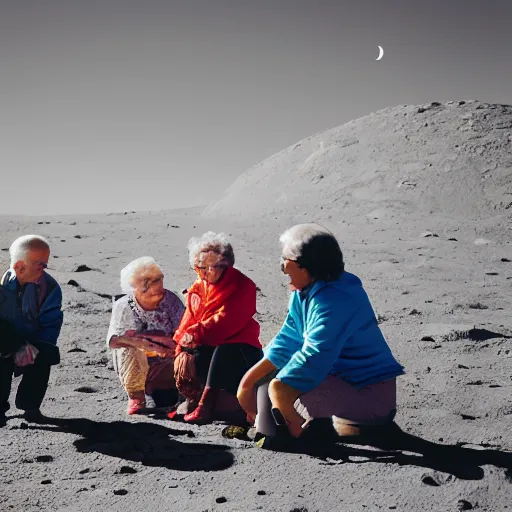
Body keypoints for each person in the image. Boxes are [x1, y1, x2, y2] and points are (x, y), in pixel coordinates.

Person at [237, 223, 405, 442]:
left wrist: (281, 391)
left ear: (306, 266)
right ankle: (270, 431)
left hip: (368, 396)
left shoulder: (337, 299)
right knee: (267, 384)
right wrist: (249, 381)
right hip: (335, 381)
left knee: (280, 386)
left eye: (285, 261)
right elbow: (289, 339)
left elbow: (317, 354)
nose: (283, 268)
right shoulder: (304, 292)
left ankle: (299, 431)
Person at [168, 231, 263, 424]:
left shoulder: (243, 286)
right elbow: (187, 322)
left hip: (242, 352)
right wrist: (181, 347)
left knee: (225, 350)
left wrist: (192, 335)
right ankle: (193, 398)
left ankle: (206, 406)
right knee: (194, 354)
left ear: (224, 265)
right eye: (198, 267)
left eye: (206, 268)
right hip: (209, 348)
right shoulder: (198, 287)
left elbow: (224, 324)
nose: (201, 273)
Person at [107, 257, 185, 415]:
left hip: (167, 362)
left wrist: (155, 341)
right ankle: (137, 397)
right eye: (147, 282)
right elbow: (113, 341)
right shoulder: (124, 306)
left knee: (186, 351)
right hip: (136, 366)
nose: (155, 286)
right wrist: (141, 342)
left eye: (158, 279)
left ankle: (179, 394)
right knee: (131, 347)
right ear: (134, 287)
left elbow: (183, 334)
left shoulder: (171, 301)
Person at [0, 235, 63, 426]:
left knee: (47, 353)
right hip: (5, 340)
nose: (45, 267)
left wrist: (32, 347)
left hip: (33, 340)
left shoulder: (50, 288)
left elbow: (51, 324)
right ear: (20, 266)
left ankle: (31, 407)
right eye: (40, 264)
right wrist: (15, 345)